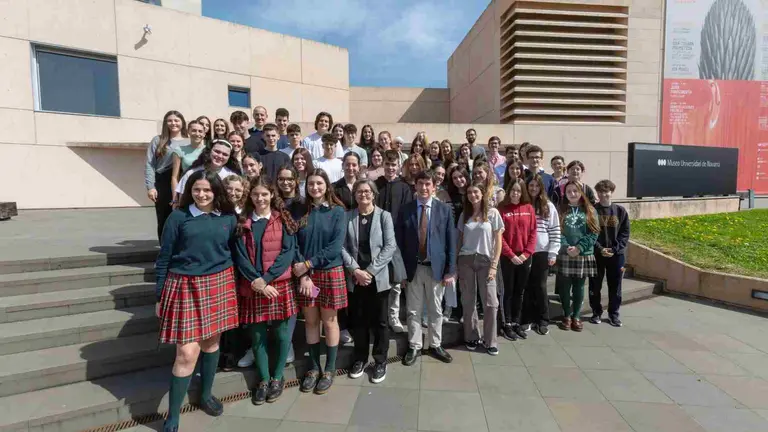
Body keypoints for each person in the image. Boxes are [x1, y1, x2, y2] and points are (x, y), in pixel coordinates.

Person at [155, 170, 239, 432]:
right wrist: (159, 295)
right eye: (196, 190)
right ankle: (173, 415)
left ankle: (205, 395)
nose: (201, 195)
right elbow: (164, 257)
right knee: (186, 353)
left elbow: (234, 252)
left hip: (219, 283)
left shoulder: (228, 218)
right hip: (184, 285)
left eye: (207, 190)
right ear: (189, 191)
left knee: (212, 342)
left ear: (216, 191)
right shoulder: (178, 217)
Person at [234, 177, 298, 405]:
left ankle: (277, 377)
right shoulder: (243, 222)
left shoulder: (283, 219)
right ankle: (263, 380)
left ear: (272, 195)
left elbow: (287, 253)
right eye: (255, 194)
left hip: (278, 285)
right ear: (250, 197)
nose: (260, 198)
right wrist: (257, 282)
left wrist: (267, 279)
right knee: (258, 336)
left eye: (264, 194)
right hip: (253, 286)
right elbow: (240, 256)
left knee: (282, 334)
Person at [291, 169, 347, 394]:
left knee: (330, 321)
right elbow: (294, 243)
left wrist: (308, 264)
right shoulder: (301, 211)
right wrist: (303, 274)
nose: (315, 187)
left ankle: (330, 369)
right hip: (307, 278)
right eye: (311, 184)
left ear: (327, 186)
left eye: (319, 183)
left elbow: (335, 247)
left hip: (329, 273)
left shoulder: (338, 212)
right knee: (311, 321)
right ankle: (314, 368)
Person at [342, 179, 401, 384]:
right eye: (359, 191)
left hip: (378, 278)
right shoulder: (348, 216)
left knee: (380, 322)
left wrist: (370, 271)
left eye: (367, 191)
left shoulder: (384, 216)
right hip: (356, 278)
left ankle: (380, 360)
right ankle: (360, 358)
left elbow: (390, 246)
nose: (363, 194)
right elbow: (342, 247)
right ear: (355, 194)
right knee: (359, 321)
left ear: (374, 194)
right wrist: (355, 270)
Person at [396, 171, 457, 365]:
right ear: (415, 186)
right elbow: (399, 243)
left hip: (436, 269)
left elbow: (451, 241)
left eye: (427, 184)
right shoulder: (405, 210)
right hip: (413, 269)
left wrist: (450, 270)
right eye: (420, 183)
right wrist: (400, 272)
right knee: (413, 310)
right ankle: (414, 345)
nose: (424, 187)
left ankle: (435, 344)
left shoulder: (444, 210)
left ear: (434, 187)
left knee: (435, 309)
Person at [457, 182, 504, 355]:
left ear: (483, 193)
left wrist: (494, 265)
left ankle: (490, 340)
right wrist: (455, 264)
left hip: (486, 261)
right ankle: (471, 336)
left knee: (491, 302)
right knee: (468, 301)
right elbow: (459, 240)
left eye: (476, 192)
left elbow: (498, 241)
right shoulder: (465, 214)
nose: (472, 195)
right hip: (466, 260)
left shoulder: (492, 213)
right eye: (469, 192)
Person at [374, 150, 414, 333]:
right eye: (387, 164)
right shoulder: (376, 185)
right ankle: (378, 317)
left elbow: (406, 216)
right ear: (383, 165)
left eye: (393, 165)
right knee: (378, 282)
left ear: (398, 166)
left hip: (396, 241)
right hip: (377, 240)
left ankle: (393, 316)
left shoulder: (404, 188)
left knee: (396, 283)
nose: (390, 168)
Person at [557, 181, 599, 332]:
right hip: (566, 253)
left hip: (583, 254)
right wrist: (566, 246)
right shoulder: (561, 209)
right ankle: (566, 315)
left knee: (579, 287)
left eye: (575, 191)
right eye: (569, 191)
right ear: (565, 194)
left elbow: (594, 232)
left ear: (581, 192)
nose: (572, 194)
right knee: (564, 286)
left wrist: (580, 248)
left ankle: (576, 316)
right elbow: (557, 230)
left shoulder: (590, 210)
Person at [497, 177, 537, 341]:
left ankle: (516, 322)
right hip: (508, 257)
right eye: (513, 190)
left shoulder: (529, 208)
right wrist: (511, 255)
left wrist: (526, 254)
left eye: (518, 191)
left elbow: (533, 233)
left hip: (524, 257)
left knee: (520, 292)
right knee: (508, 291)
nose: (515, 193)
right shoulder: (502, 209)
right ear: (508, 191)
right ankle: (506, 324)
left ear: (523, 192)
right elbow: (499, 236)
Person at [522, 175, 560, 336]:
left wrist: (553, 252)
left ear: (541, 188)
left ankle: (543, 319)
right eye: (531, 185)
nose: (533, 188)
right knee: (526, 286)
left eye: (536, 186)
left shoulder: (548, 206)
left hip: (542, 251)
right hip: (524, 251)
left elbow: (555, 229)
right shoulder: (523, 204)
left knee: (541, 286)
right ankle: (527, 318)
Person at [588, 180, 630, 327]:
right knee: (595, 285)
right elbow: (589, 233)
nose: (603, 195)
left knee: (615, 286)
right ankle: (596, 312)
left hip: (616, 255)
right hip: (597, 254)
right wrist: (600, 248)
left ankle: (613, 314)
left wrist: (614, 249)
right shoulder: (592, 210)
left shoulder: (620, 211)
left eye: (606, 192)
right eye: (600, 192)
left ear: (612, 192)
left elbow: (625, 233)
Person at [145, 110, 189, 241]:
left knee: (184, 216)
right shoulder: (158, 140)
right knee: (164, 217)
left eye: (176, 120)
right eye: (170, 120)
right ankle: (165, 248)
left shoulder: (188, 141)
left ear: (182, 122)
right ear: (165, 123)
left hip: (183, 180)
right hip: (163, 181)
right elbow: (150, 164)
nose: (173, 123)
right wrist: (151, 187)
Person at [174, 140, 240, 201]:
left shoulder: (232, 176)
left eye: (225, 154)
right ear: (209, 151)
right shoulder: (192, 173)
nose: (220, 156)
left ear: (229, 158)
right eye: (217, 151)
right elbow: (182, 200)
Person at [170, 119, 205, 196]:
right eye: (194, 130)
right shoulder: (179, 150)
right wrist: (175, 198)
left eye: (200, 131)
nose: (197, 134)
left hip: (204, 190)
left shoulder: (209, 150)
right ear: (188, 132)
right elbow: (174, 177)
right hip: (186, 189)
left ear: (204, 134)